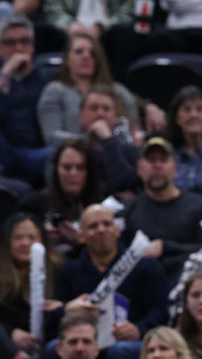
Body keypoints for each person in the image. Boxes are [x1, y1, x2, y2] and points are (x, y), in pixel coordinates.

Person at [47, 204, 169, 359]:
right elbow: (52, 319)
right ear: (82, 235)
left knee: (119, 350)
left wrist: (139, 329)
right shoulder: (68, 271)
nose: (101, 230)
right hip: (83, 341)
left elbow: (160, 312)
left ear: (117, 230)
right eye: (93, 226)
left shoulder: (145, 266)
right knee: (53, 348)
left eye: (107, 224)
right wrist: (68, 309)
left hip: (130, 342)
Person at [122, 136, 202, 285]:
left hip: (190, 287)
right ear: (139, 168)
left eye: (163, 160)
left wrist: (165, 247)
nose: (157, 166)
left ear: (175, 167)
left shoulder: (201, 207)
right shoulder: (128, 210)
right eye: (151, 160)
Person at [37, 33, 143, 147]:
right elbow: (51, 137)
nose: (86, 56)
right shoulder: (54, 91)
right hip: (71, 158)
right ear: (67, 59)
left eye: (92, 53)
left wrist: (147, 107)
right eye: (79, 51)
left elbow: (134, 134)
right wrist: (94, 140)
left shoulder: (118, 91)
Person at [20, 139, 103, 257]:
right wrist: (42, 237)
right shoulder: (34, 204)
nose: (73, 173)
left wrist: (81, 242)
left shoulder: (102, 205)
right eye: (67, 167)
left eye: (80, 167)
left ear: (89, 172)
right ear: (56, 170)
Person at [0, 14, 53, 184]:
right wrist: (5, 75)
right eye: (10, 43)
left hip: (39, 152)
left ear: (33, 47)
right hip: (5, 153)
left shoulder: (47, 78)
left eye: (24, 42)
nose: (18, 48)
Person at [0, 212, 62, 357]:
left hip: (49, 345)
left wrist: (59, 310)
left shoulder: (59, 272)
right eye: (18, 237)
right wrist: (11, 333)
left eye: (32, 237)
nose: (26, 243)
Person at [77, 88, 143, 195]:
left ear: (116, 117)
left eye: (106, 109)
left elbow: (124, 183)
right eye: (94, 108)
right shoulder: (70, 150)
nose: (100, 113)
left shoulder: (131, 150)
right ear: (81, 115)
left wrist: (107, 139)